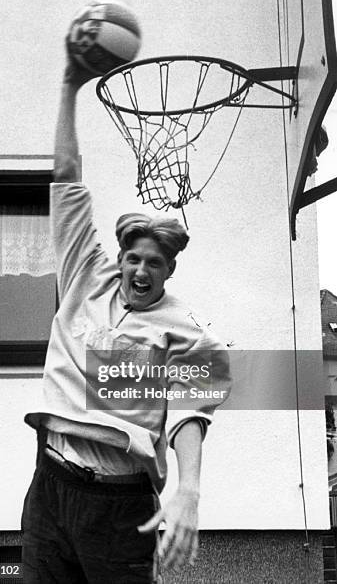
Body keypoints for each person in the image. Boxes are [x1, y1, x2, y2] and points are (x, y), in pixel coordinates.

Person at [21, 43, 232, 584]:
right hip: (50, 488)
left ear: (169, 271)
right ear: (119, 258)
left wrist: (188, 490)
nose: (140, 271)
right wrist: (70, 86)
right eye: (132, 258)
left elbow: (189, 413)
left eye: (154, 264)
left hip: (120, 508)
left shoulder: (189, 333)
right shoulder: (84, 277)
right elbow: (67, 174)